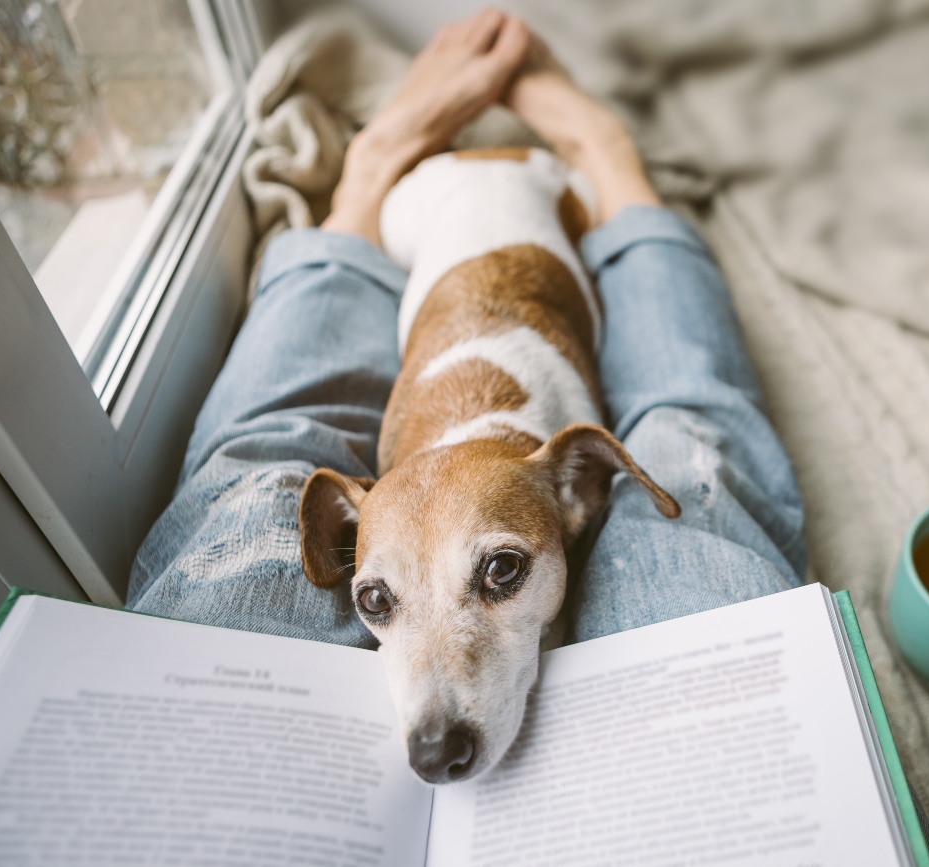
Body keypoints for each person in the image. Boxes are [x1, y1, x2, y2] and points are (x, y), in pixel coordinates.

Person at [127, 9, 806, 645]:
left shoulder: (559, 480)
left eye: (501, 572)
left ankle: (557, 157)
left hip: (542, 197)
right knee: (690, 431)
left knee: (261, 461)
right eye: (377, 601)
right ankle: (583, 162)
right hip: (449, 219)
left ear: (580, 489)